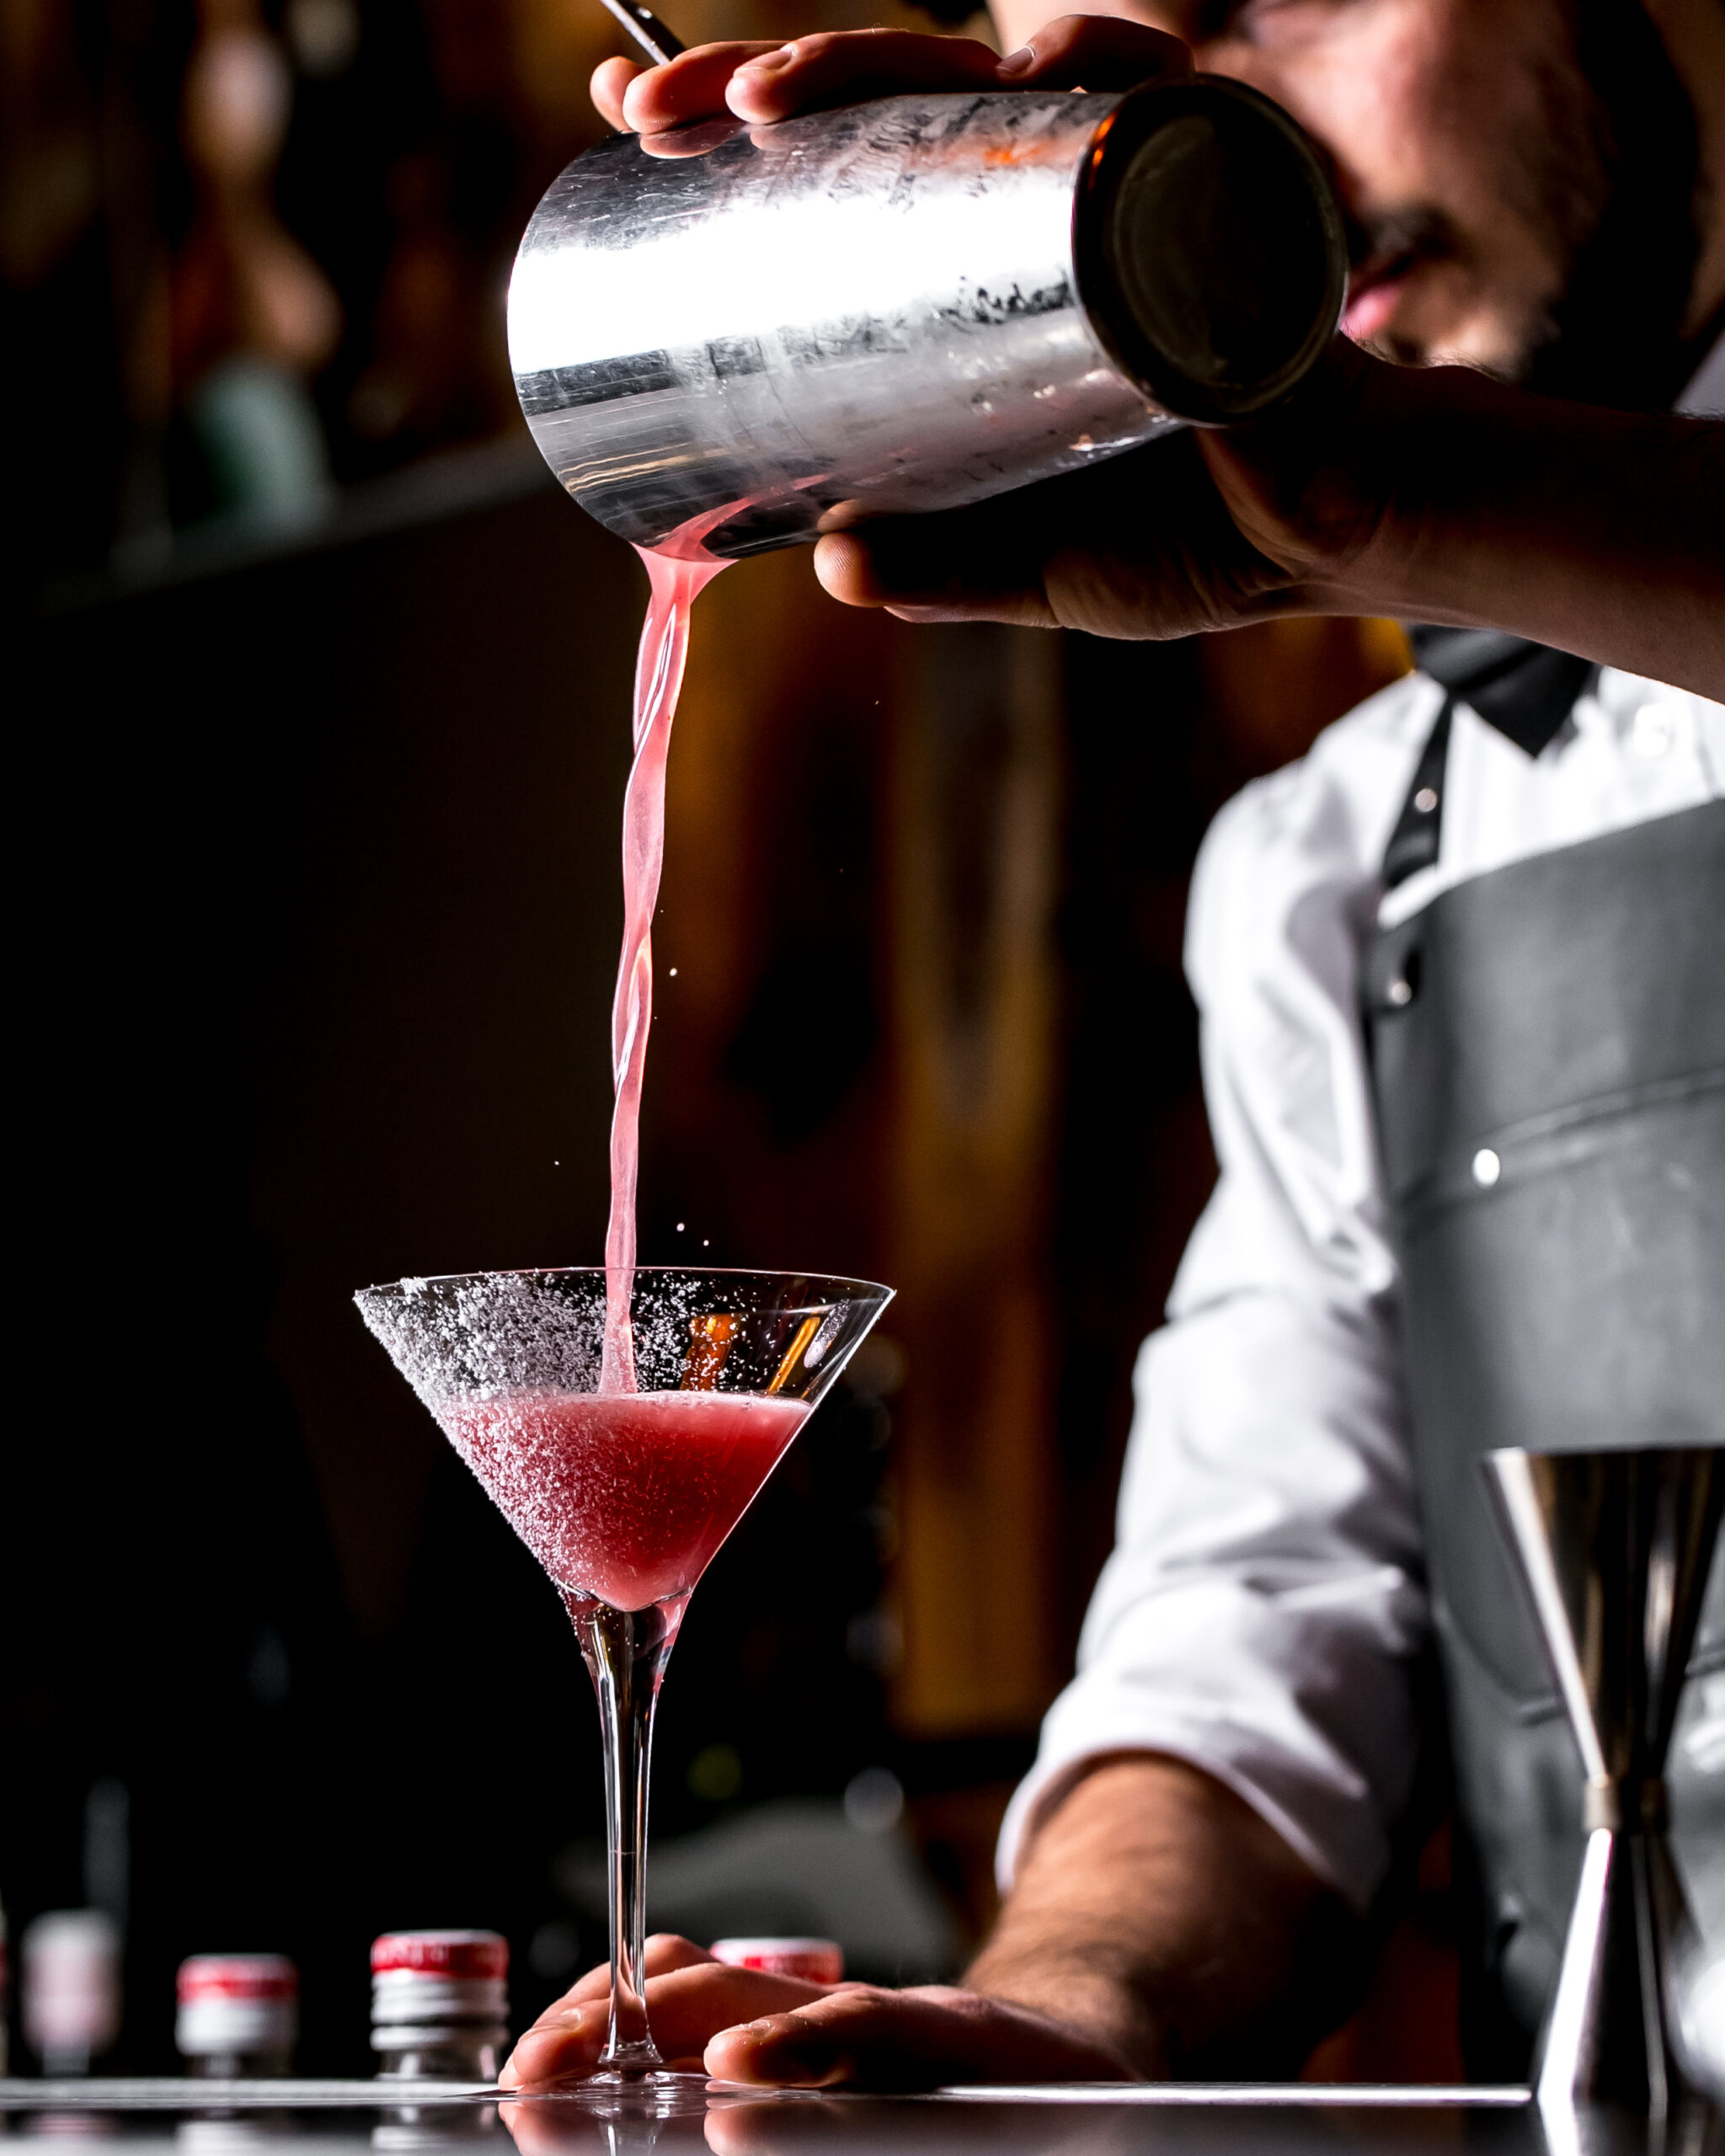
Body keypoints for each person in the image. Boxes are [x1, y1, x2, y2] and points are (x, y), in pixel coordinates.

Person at [503, 0, 1725, 2091]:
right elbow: (1251, 1632)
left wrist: (1403, 486)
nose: (1228, 128)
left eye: (1286, 2)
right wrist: (1061, 1999)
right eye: (1123, 63)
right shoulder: (1335, 867)